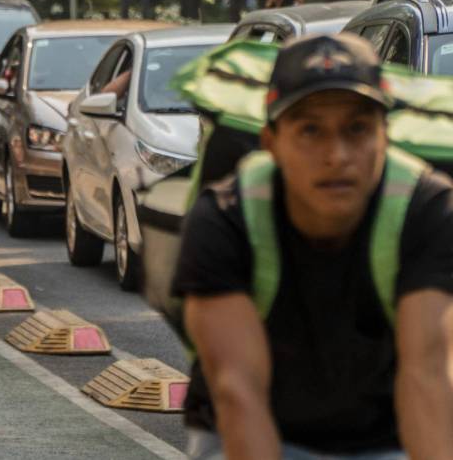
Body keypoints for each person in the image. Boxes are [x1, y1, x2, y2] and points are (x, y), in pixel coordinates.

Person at [173, 33, 453, 459]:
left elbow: (426, 377)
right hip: (256, 428)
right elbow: (238, 392)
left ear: (385, 136)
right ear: (272, 142)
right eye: (310, 130)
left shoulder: (430, 210)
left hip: (386, 435)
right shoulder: (224, 219)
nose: (336, 155)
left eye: (357, 129)